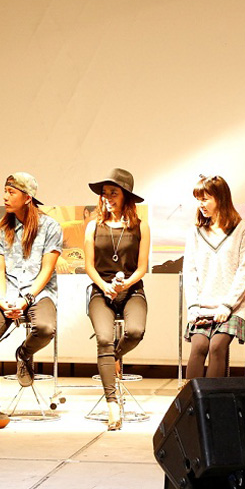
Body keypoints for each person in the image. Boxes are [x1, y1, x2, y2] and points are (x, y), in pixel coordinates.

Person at [0, 173, 62, 431]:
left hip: (39, 293)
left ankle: (24, 353)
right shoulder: (0, 230)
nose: (5, 197)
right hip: (9, 294)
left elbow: (46, 270)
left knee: (45, 328)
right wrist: (1, 300)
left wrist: (26, 299)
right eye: (5, 191)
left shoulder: (51, 227)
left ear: (27, 197)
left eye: (11, 192)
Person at [84, 168, 150, 431]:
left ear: (126, 197)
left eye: (113, 193)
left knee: (135, 332)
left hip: (132, 290)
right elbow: (89, 267)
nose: (107, 197)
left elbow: (142, 267)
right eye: (104, 193)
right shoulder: (93, 225)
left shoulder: (140, 226)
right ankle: (112, 404)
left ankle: (114, 357)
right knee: (104, 339)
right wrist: (105, 286)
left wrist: (125, 284)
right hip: (101, 291)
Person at [182, 175, 245, 380]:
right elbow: (190, 272)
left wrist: (227, 306)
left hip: (233, 307)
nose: (201, 204)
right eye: (198, 199)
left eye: (205, 199)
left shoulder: (243, 229)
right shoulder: (195, 232)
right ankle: (192, 399)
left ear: (220, 198)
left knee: (216, 347)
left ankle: (212, 399)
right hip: (202, 306)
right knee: (198, 347)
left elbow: (244, 271)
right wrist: (193, 306)